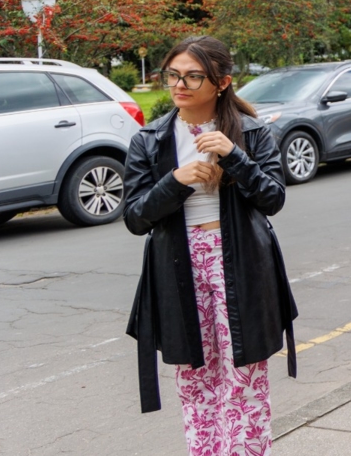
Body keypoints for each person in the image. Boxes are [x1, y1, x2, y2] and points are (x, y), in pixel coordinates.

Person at [123, 35, 297, 456]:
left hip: (241, 264)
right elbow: (135, 217)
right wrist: (175, 181)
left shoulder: (251, 132)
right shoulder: (150, 139)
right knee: (195, 378)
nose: (179, 85)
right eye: (173, 75)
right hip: (179, 266)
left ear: (221, 82)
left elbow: (273, 199)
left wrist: (235, 156)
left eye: (193, 76)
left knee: (244, 375)